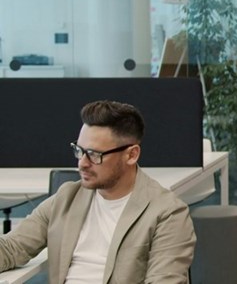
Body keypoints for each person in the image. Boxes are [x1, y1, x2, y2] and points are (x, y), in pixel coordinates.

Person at [0, 100, 196, 283]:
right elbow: (12, 248)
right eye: (79, 151)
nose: (82, 164)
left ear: (131, 154)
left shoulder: (167, 213)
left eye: (94, 154)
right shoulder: (67, 197)